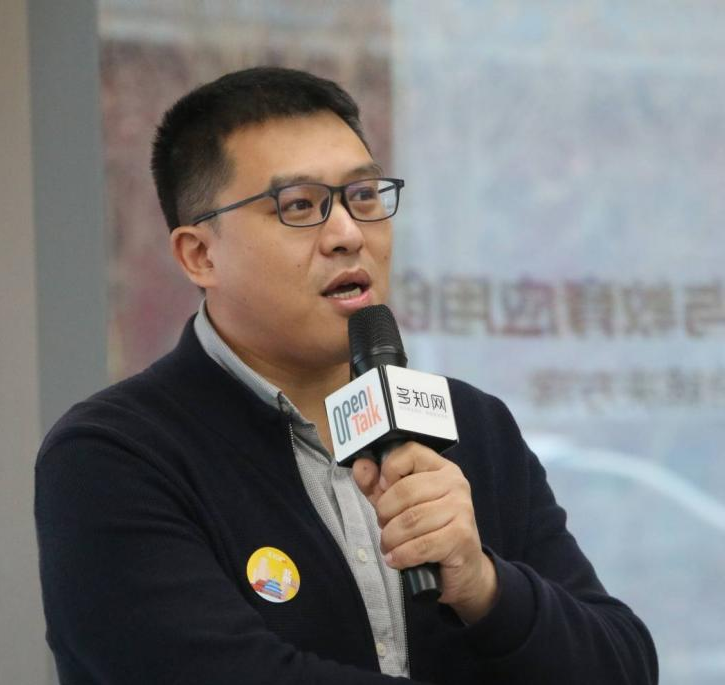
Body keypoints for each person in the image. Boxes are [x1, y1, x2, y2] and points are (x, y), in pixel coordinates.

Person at [35, 66, 658, 684]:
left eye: (363, 196)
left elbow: (622, 665)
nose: (347, 234)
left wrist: (485, 586)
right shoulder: (112, 456)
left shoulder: (471, 424)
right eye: (299, 206)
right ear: (200, 255)